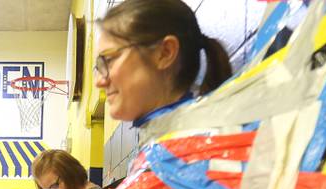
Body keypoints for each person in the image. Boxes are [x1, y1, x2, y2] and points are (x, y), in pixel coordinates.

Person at [94, 0, 232, 125]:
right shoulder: (193, 138)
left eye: (109, 60)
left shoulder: (190, 146)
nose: (99, 81)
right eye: (99, 66)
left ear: (165, 53)